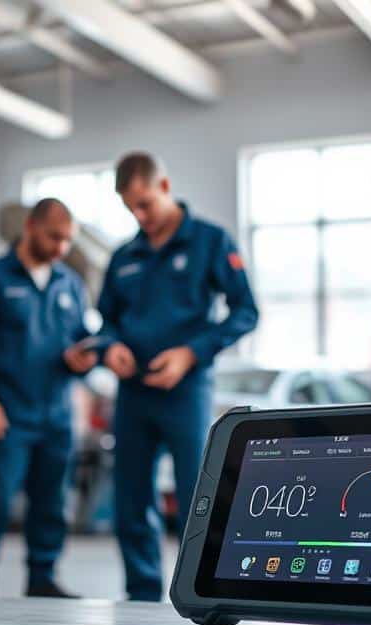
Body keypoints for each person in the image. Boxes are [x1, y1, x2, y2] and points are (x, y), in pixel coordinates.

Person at [98, 152, 259, 601]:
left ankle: (203, 592)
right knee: (131, 500)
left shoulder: (210, 241)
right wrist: (110, 347)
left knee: (198, 496)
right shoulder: (123, 257)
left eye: (145, 204)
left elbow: (246, 311)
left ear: (165, 187)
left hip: (186, 390)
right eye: (130, 208)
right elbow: (106, 321)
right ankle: (141, 595)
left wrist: (191, 354)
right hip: (133, 395)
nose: (140, 216)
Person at [0, 198, 97, 602]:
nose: (60, 248)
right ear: (31, 227)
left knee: (51, 502)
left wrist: (84, 360)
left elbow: (80, 341)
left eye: (67, 241)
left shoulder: (70, 284)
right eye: (54, 237)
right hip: (7, 412)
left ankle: (42, 578)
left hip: (56, 413)